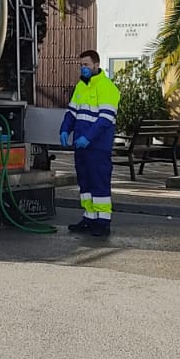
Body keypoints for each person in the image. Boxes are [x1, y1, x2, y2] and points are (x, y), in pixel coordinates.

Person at [59, 49, 119, 237]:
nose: (83, 68)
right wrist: (64, 129)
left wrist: (88, 137)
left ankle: (103, 221)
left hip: (98, 147)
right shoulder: (81, 86)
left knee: (99, 182)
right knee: (85, 182)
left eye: (86, 65)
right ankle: (89, 217)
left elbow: (105, 119)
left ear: (96, 65)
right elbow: (72, 113)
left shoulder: (107, 87)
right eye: (81, 65)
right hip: (81, 145)